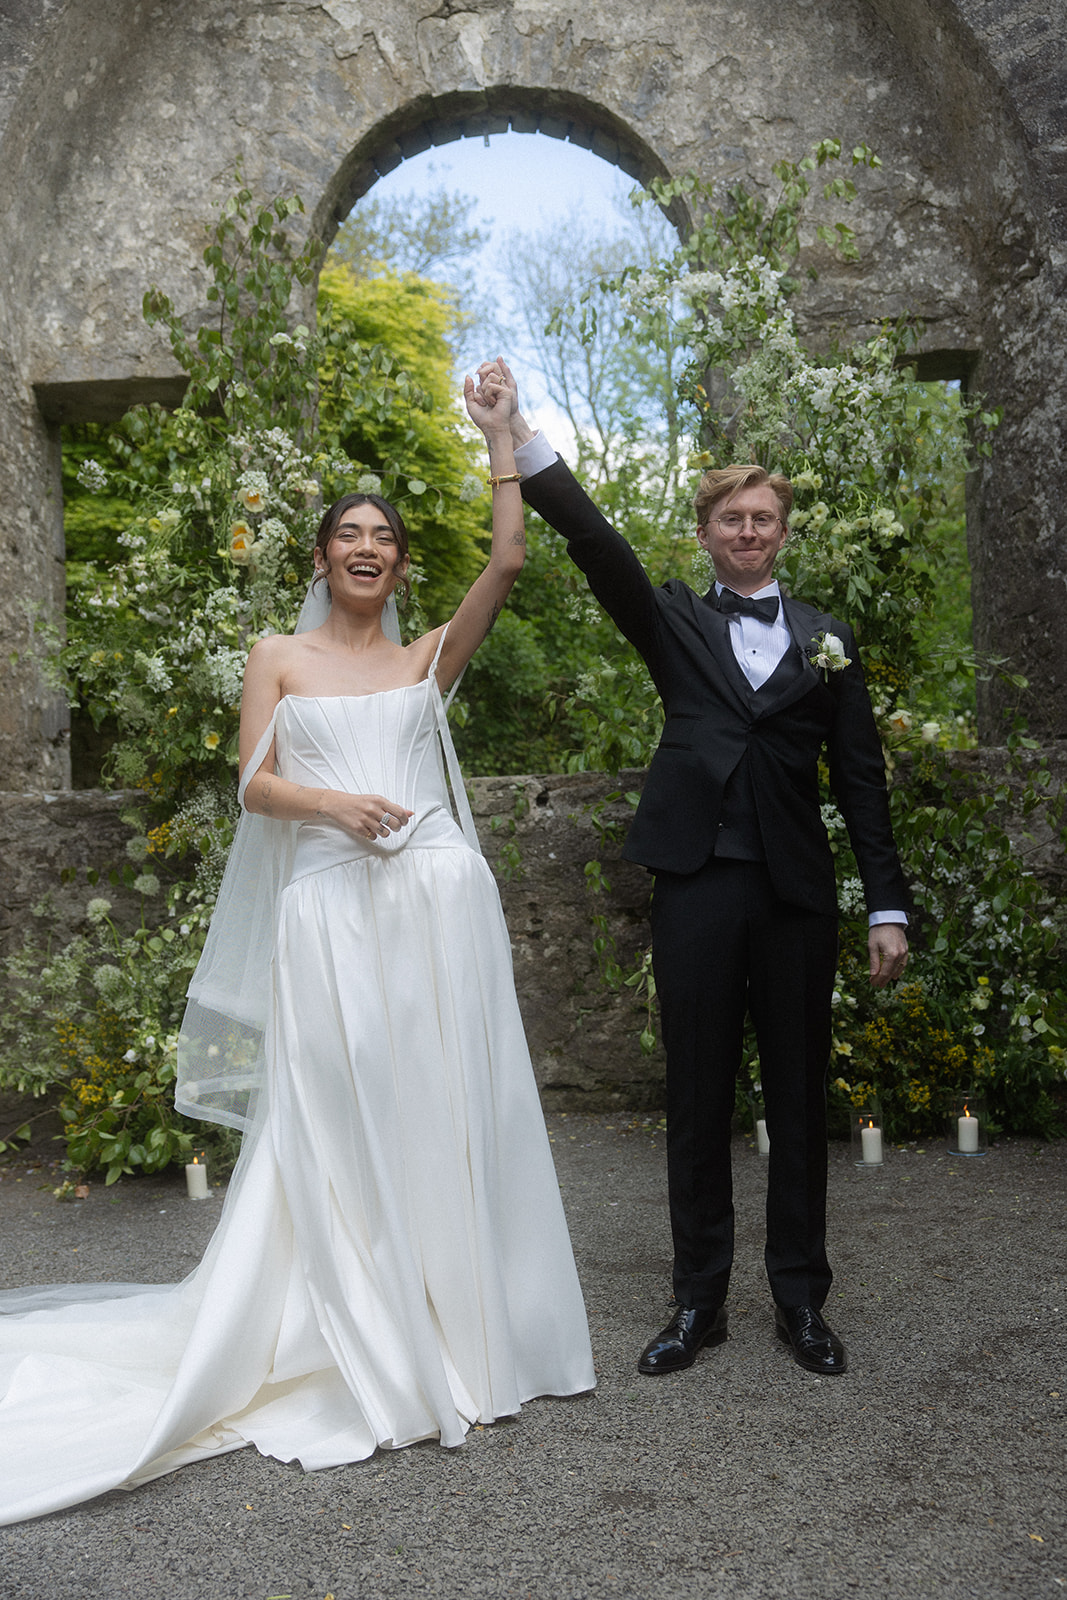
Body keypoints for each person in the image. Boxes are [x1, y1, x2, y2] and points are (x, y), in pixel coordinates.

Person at [0, 371, 594, 1526]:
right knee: (340, 1110)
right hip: (330, 912)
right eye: (348, 536)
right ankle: (353, 1325)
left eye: (383, 538)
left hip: (436, 913)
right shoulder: (277, 652)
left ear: (400, 565)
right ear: (321, 560)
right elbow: (253, 785)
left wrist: (498, 438)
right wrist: (338, 807)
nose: (366, 549)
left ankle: (460, 1327)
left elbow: (511, 563)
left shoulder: (428, 657)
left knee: (439, 1106)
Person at [475, 358, 909, 1379]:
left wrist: (883, 905)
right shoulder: (672, 619)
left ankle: (800, 1302)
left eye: (763, 518)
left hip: (797, 894)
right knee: (699, 1094)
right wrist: (515, 432)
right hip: (697, 883)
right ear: (707, 531)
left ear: (781, 531)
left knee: (799, 1100)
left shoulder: (828, 641)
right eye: (731, 519)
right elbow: (593, 543)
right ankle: (696, 1302)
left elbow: (860, 782)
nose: (748, 531)